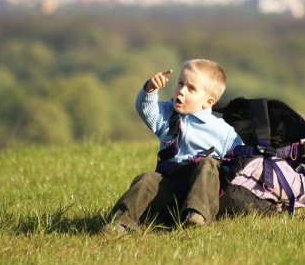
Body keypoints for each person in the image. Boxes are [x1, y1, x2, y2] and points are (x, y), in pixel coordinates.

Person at [103, 59, 243, 235]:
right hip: (168, 190)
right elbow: (146, 109)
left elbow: (240, 160)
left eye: (191, 88)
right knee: (147, 179)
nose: (182, 91)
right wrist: (150, 88)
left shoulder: (223, 131)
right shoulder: (168, 115)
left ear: (208, 102)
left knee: (208, 164)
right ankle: (119, 223)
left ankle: (197, 216)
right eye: (180, 83)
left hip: (203, 196)